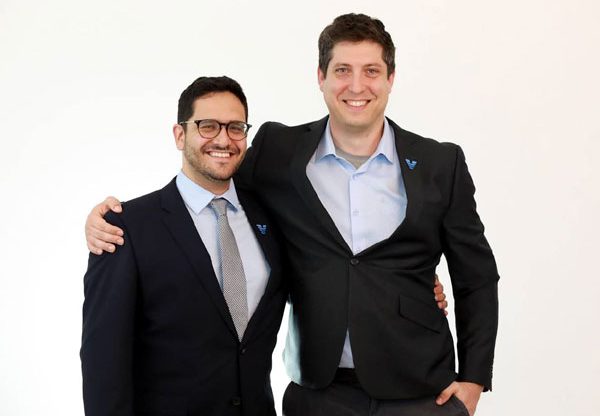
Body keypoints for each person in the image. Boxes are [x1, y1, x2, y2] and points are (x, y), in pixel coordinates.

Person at [85, 13, 496, 416]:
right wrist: (109, 217)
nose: (356, 85)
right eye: (342, 70)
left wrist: (474, 380)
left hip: (422, 392)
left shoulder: (440, 163)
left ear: (390, 78)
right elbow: (210, 177)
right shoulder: (277, 152)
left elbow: (475, 275)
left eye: (371, 71)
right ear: (321, 77)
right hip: (320, 394)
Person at [80, 76, 289, 416]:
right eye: (208, 126)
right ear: (180, 135)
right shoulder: (127, 227)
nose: (223, 139)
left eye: (235, 127)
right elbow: (103, 359)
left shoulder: (272, 219)